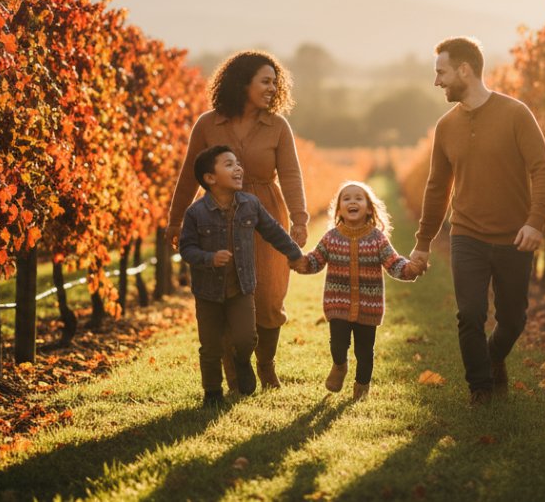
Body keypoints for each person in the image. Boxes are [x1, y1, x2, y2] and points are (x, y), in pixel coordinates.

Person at [408, 37, 545, 405]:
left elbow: (542, 171)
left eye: (441, 72)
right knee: (470, 314)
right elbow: (437, 187)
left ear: (464, 70)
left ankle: (493, 356)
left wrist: (535, 222)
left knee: (513, 320)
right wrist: (423, 243)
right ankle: (481, 388)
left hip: (513, 236)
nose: (437, 82)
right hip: (467, 234)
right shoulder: (445, 127)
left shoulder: (516, 114)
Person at [167, 51, 308, 390]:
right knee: (226, 291)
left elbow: (290, 174)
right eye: (265, 81)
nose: (273, 88)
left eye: (276, 82)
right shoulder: (207, 124)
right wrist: (175, 222)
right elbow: (189, 175)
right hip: (216, 218)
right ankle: (235, 369)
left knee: (270, 295)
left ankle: (266, 364)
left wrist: (300, 220)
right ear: (243, 83)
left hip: (265, 212)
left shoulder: (278, 126)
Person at [178, 145, 304, 408]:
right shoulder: (195, 213)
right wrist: (208, 258)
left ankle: (242, 360)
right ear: (210, 178)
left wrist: (294, 254)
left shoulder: (250, 205)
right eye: (229, 164)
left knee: (246, 337)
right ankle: (212, 392)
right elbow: (186, 248)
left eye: (238, 163)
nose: (238, 168)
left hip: (241, 287)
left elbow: (274, 231)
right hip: (208, 292)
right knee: (210, 347)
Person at [292, 181, 421, 400]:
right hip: (338, 303)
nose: (353, 202)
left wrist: (410, 269)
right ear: (339, 209)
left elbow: (393, 263)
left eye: (358, 198)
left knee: (364, 351)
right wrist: (301, 262)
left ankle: (362, 387)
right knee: (338, 344)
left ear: (369, 208)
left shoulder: (377, 239)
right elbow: (316, 260)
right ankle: (339, 366)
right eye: (347, 198)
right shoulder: (331, 237)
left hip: (368, 306)